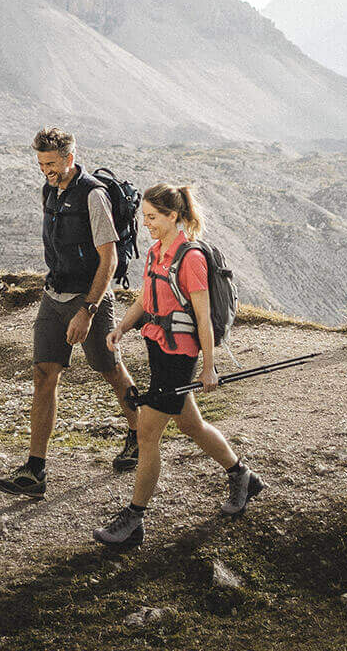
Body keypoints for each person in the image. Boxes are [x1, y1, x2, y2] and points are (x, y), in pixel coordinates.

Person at [92, 183, 262, 547]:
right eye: (145, 217)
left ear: (173, 216)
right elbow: (146, 298)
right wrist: (122, 326)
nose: (147, 224)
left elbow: (203, 318)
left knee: (146, 433)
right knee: (190, 425)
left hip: (179, 357)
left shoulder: (191, 258)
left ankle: (134, 519)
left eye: (153, 217)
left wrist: (209, 367)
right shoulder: (156, 252)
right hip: (158, 348)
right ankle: (242, 476)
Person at [0, 127, 142, 497]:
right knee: (43, 374)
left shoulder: (93, 195)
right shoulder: (49, 191)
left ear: (69, 158)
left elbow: (109, 259)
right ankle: (35, 470)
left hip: (88, 299)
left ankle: (140, 436)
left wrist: (88, 311)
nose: (46, 170)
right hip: (53, 295)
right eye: (41, 164)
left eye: (52, 164)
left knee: (110, 369)